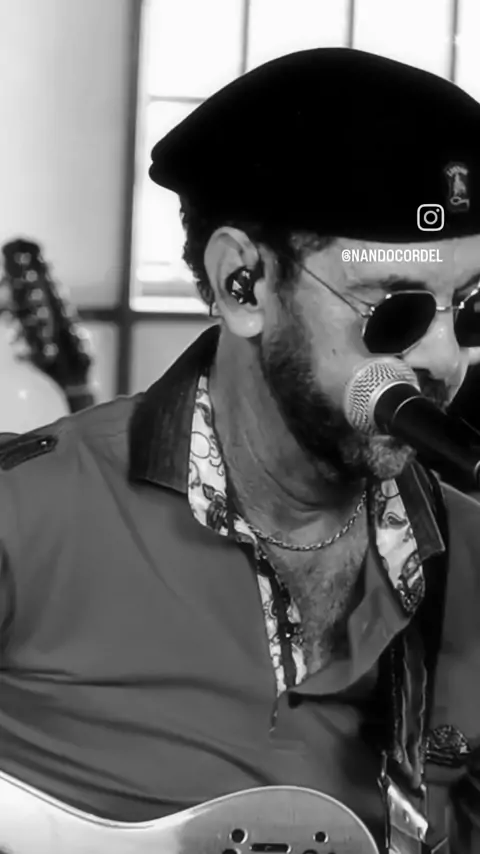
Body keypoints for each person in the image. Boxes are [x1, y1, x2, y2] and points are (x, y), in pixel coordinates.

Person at [1, 47, 480, 854]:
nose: (443, 359)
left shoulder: (471, 559)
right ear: (244, 284)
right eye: (394, 311)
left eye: (469, 310)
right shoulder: (28, 516)